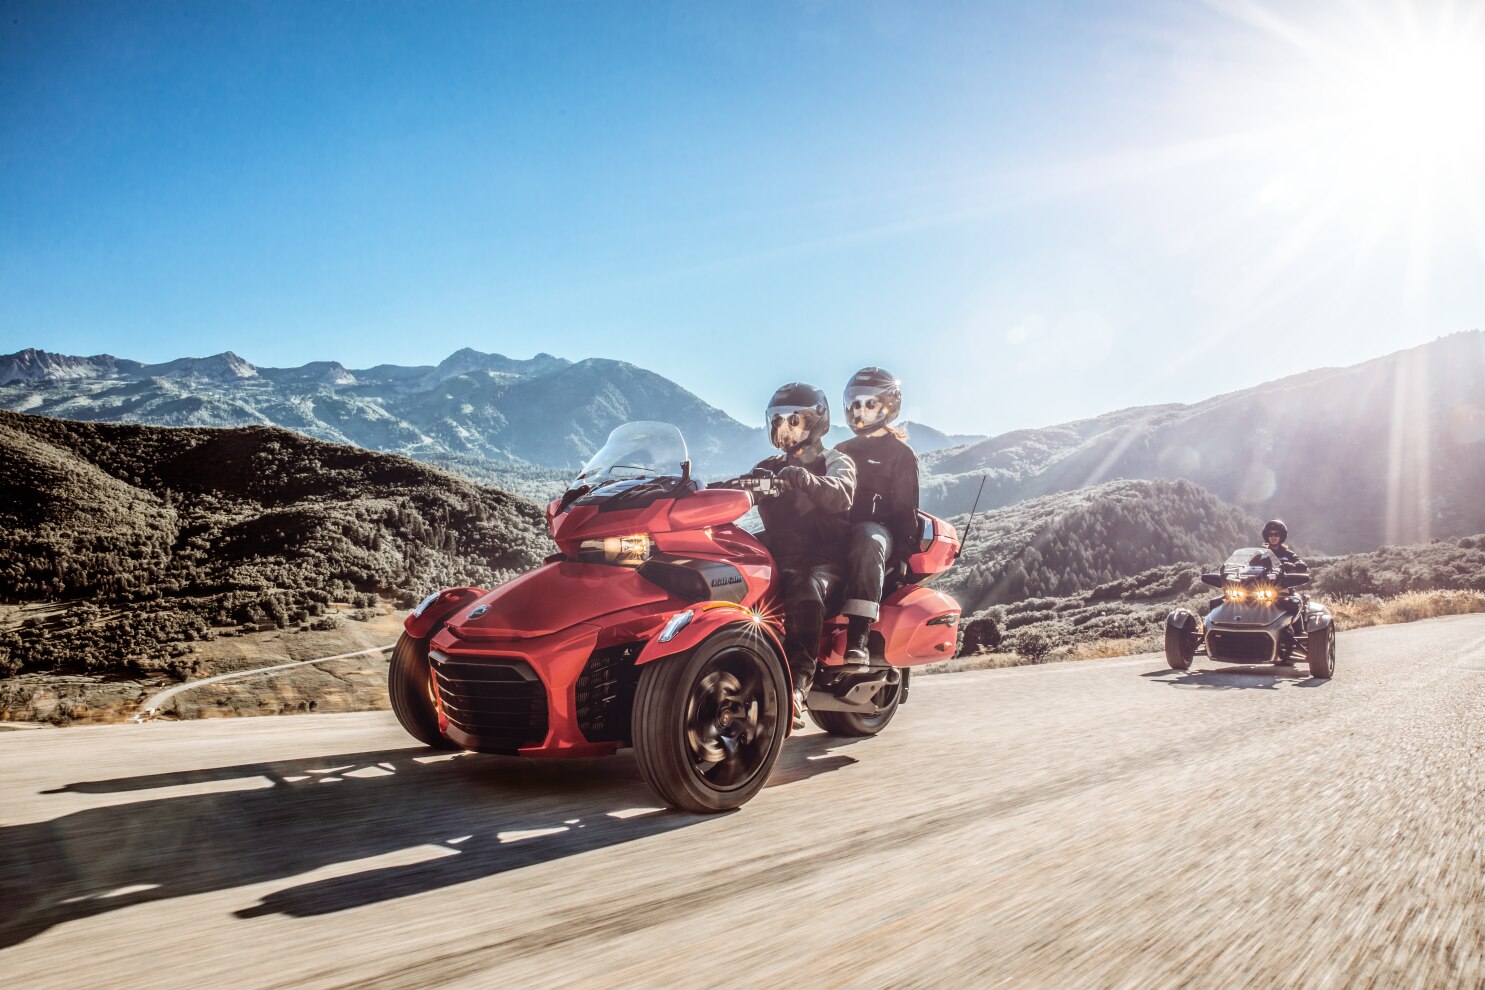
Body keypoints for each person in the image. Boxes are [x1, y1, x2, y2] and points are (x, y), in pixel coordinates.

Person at [752, 382, 857, 728]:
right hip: (779, 554)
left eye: (793, 421)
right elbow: (731, 490)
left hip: (824, 560)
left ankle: (798, 683)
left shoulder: (835, 461)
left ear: (815, 423)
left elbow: (842, 493)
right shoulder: (767, 466)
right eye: (778, 422)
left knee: (805, 586)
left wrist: (805, 481)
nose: (785, 430)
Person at [833, 367, 920, 666]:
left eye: (870, 403)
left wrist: (904, 556)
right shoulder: (840, 449)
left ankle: (858, 637)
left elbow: (905, 509)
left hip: (878, 531)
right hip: (839, 527)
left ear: (888, 406)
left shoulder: (900, 454)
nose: (861, 410)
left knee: (867, 538)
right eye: (856, 403)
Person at [1260, 519, 1310, 663]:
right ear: (1266, 536)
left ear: (1282, 536)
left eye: (1276, 534)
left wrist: (1293, 565)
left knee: (1294, 603)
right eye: (1271, 534)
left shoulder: (1289, 554)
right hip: (1261, 592)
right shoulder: (1261, 554)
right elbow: (1248, 567)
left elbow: (1302, 566)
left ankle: (1300, 633)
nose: (1273, 536)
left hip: (1283, 591)